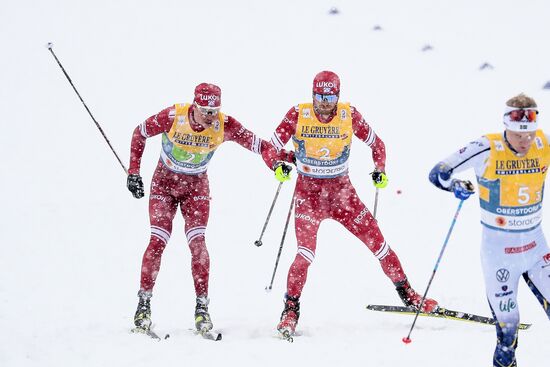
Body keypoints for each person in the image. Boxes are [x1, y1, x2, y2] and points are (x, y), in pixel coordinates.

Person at [262, 70, 439, 338]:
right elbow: (269, 147)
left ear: (338, 95)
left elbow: (377, 144)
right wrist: (278, 164)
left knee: (379, 246)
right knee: (305, 255)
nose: (324, 102)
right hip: (308, 197)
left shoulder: (349, 115)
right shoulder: (298, 114)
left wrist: (379, 168)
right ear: (312, 95)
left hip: (343, 195)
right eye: (319, 96)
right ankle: (290, 310)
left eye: (330, 96)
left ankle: (409, 295)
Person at [127, 83, 277, 335]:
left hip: (195, 190)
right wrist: (133, 172)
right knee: (157, 241)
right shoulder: (173, 116)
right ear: (194, 106)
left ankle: (202, 308)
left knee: (197, 244)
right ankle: (143, 304)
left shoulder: (224, 124)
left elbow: (260, 145)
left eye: (214, 111)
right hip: (163, 186)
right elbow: (139, 132)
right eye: (205, 110)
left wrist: (279, 159)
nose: (210, 116)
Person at [429, 93, 550, 367]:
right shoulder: (487, 147)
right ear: (506, 126)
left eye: (529, 134)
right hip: (500, 257)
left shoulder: (543, 142)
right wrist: (455, 186)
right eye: (519, 136)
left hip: (536, 249)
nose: (525, 141)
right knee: (508, 334)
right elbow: (438, 172)